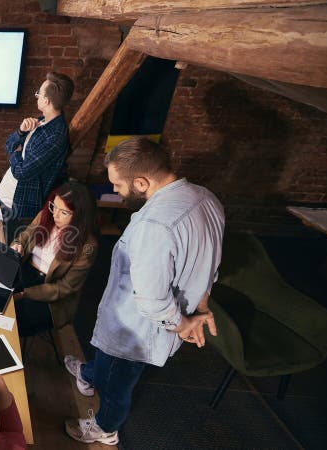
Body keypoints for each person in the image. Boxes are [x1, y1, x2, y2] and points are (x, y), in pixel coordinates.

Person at [63, 137, 224, 445]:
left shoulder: (155, 225)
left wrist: (184, 324)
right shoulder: (206, 198)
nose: (114, 191)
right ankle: (87, 373)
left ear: (140, 182)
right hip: (135, 321)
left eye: (118, 186)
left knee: (117, 386)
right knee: (107, 362)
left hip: (137, 329)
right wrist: (202, 305)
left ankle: (105, 428)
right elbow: (212, 262)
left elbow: (152, 300)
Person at [0, 72, 74, 240]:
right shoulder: (41, 121)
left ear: (47, 101)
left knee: (0, 254)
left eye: (38, 94)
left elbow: (21, 172)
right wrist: (20, 132)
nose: (37, 97)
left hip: (16, 208)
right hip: (1, 194)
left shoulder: (56, 136)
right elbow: (8, 144)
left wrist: (16, 152)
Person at [9, 181, 98, 337]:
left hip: (52, 294)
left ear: (80, 216)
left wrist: (25, 294)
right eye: (54, 206)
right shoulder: (46, 216)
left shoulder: (87, 246)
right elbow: (25, 235)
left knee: (13, 321)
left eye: (64, 212)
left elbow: (64, 288)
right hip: (27, 270)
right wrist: (17, 245)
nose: (54, 215)